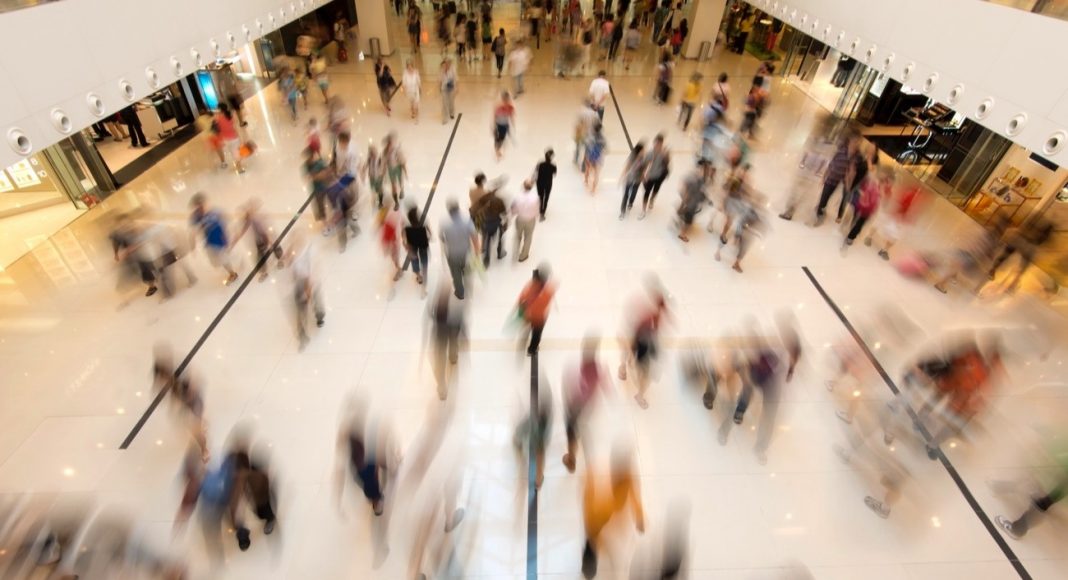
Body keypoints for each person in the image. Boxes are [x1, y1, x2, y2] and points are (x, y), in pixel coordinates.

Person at [581, 445, 645, 578]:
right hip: (600, 529)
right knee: (606, 561)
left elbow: (634, 494)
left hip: (614, 528)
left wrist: (639, 516)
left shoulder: (627, 477)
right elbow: (590, 510)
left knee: (615, 560)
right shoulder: (600, 476)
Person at [562, 336, 613, 473]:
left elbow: (571, 391)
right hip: (589, 407)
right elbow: (608, 389)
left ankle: (571, 459)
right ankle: (583, 455)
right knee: (581, 429)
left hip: (575, 408)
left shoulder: (577, 370)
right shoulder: (599, 368)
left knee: (572, 432)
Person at [619, 286, 669, 408]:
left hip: (643, 344)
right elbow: (635, 336)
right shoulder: (646, 317)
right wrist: (632, 353)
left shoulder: (651, 314)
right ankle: (639, 393)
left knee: (632, 360)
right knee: (644, 374)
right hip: (641, 344)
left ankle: (623, 370)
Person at [189, 192, 239, 285]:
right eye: (197, 205)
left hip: (219, 238)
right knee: (216, 260)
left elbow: (225, 219)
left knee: (222, 257)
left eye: (200, 204)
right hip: (210, 241)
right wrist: (193, 245)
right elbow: (194, 231)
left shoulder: (215, 211)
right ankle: (235, 264)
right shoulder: (195, 217)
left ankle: (232, 273)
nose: (199, 207)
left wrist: (228, 233)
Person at [232, 198, 284, 282]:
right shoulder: (249, 221)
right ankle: (265, 271)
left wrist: (268, 239)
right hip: (259, 240)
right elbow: (242, 231)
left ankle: (279, 260)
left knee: (273, 248)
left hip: (265, 237)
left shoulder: (256, 219)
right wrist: (235, 240)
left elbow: (265, 230)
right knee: (261, 256)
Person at [814, 132, 859, 226]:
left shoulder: (854, 157)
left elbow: (850, 171)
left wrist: (848, 184)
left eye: (857, 143)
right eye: (854, 142)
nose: (855, 144)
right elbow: (831, 163)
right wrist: (824, 176)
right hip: (831, 177)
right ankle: (818, 215)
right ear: (850, 141)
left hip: (837, 181)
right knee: (824, 196)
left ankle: (820, 209)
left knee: (827, 197)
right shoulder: (841, 151)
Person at [290, 232, 325, 349]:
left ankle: (319, 315)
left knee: (316, 300)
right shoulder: (294, 253)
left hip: (311, 281)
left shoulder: (310, 251)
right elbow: (294, 270)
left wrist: (308, 290)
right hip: (300, 283)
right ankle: (302, 334)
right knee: (299, 309)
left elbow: (313, 272)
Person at [440, 200, 480, 300]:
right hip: (466, 253)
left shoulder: (444, 223)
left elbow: (442, 237)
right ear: (458, 209)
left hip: (452, 254)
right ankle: (468, 285)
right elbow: (474, 237)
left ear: (449, 210)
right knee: (467, 270)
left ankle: (460, 292)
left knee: (456, 274)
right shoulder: (467, 220)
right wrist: (477, 252)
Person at [843, 166, 890, 250]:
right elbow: (862, 189)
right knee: (858, 221)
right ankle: (850, 236)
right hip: (864, 205)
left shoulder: (882, 186)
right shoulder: (872, 182)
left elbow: (882, 199)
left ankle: (851, 235)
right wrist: (863, 196)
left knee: (859, 222)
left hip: (868, 208)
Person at [515, 265, 556, 356]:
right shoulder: (546, 292)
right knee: (536, 335)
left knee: (528, 329)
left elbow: (522, 297)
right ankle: (532, 349)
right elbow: (545, 303)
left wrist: (520, 308)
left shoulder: (531, 287)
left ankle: (525, 341)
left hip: (528, 315)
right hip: (539, 318)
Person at [472, 184, 508, 267]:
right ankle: (499, 253)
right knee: (500, 236)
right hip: (496, 222)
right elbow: (504, 212)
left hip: (485, 223)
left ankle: (486, 259)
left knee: (487, 239)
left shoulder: (483, 199)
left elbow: (477, 209)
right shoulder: (499, 200)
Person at [676, 162, 708, 242]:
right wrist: (683, 204)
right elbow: (686, 193)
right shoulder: (694, 180)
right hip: (690, 204)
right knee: (688, 221)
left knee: (686, 215)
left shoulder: (697, 177)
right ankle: (682, 234)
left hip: (693, 202)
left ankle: (680, 215)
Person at [639, 133, 670, 217]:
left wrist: (665, 155)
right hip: (651, 176)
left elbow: (667, 163)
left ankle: (652, 200)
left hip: (660, 176)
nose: (657, 146)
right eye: (656, 143)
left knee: (656, 190)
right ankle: (643, 210)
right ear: (654, 143)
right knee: (646, 192)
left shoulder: (665, 152)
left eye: (659, 144)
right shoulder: (650, 153)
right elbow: (645, 164)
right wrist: (643, 175)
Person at [511, 180, 541, 261]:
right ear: (531, 187)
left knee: (518, 236)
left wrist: (511, 215)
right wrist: (537, 216)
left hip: (520, 219)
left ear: (523, 186)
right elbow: (537, 210)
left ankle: (516, 251)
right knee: (528, 237)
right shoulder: (535, 197)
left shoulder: (518, 196)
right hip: (530, 220)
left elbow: (513, 209)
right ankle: (523, 255)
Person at [404, 206, 431, 293]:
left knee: (414, 259)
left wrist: (405, 243)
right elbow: (428, 229)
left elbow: (403, 233)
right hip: (422, 242)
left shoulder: (406, 222)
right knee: (424, 256)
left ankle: (419, 276)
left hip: (412, 242)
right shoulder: (423, 220)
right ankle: (424, 269)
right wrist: (430, 235)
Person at [212, 103, 244, 173]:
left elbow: (217, 130)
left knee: (233, 153)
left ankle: (238, 166)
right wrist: (239, 136)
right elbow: (235, 127)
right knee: (236, 152)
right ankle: (240, 168)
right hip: (234, 137)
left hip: (226, 139)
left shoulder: (218, 118)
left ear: (219, 109)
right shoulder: (231, 115)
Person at [619, 140, 648, 220]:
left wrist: (644, 179)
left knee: (634, 193)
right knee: (625, 195)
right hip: (629, 178)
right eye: (643, 150)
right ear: (639, 150)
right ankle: (622, 212)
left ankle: (630, 203)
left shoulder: (644, 159)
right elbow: (626, 167)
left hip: (637, 180)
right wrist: (622, 177)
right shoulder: (632, 157)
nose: (644, 151)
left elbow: (644, 170)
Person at [383, 132, 408, 203]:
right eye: (388, 143)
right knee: (393, 186)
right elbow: (384, 163)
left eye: (390, 143)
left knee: (400, 182)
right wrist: (383, 173)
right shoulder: (385, 152)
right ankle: (396, 202)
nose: (389, 145)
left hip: (398, 168)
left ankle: (402, 190)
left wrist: (405, 172)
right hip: (391, 170)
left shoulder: (398, 150)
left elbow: (403, 161)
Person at [583, 121, 607, 193]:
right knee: (596, 173)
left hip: (589, 155)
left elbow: (586, 145)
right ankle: (593, 189)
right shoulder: (602, 138)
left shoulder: (590, 136)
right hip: (598, 157)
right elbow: (604, 148)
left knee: (587, 168)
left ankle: (586, 180)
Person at [362, 144, 388, 209]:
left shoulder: (380, 158)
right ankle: (374, 202)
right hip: (372, 178)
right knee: (373, 190)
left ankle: (380, 203)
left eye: (373, 151)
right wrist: (363, 173)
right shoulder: (369, 159)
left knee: (380, 190)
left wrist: (383, 176)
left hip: (379, 177)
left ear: (376, 151)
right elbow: (365, 167)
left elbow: (384, 167)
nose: (372, 153)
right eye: (370, 151)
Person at [492, 91, 516, 160]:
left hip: (505, 125)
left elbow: (511, 116)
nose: (506, 100)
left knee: (501, 139)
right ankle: (497, 151)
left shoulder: (510, 107)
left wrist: (513, 124)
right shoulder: (499, 107)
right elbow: (495, 116)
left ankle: (498, 150)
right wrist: (494, 125)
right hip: (498, 124)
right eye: (504, 98)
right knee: (497, 139)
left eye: (507, 98)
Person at [534, 149, 557, 220]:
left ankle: (540, 209)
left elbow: (536, 171)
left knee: (540, 196)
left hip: (539, 182)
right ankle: (543, 212)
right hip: (548, 183)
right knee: (546, 197)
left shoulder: (540, 163)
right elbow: (554, 175)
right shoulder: (553, 165)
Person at [440, 57, 458, 123]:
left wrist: (457, 88)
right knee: (444, 103)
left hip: (451, 88)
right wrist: (439, 88)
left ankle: (452, 113)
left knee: (451, 102)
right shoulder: (442, 69)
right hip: (444, 88)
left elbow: (456, 78)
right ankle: (445, 118)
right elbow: (440, 79)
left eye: (448, 63)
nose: (447, 64)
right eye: (446, 63)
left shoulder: (453, 69)